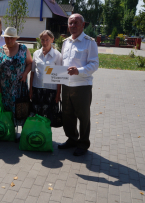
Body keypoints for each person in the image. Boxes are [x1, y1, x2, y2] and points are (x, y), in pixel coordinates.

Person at [58, 14, 99, 156]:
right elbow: (62, 63)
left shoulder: (89, 42)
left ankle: (83, 143)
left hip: (82, 85)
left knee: (83, 116)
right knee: (67, 115)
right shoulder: (66, 42)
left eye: (76, 23)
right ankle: (72, 138)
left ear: (83, 25)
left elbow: (94, 64)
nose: (73, 26)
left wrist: (79, 71)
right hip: (66, 85)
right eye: (70, 23)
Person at [0, 27, 33, 126]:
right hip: (5, 89)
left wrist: (25, 74)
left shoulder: (23, 49)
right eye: (7, 38)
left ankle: (22, 132)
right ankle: (9, 131)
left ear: (16, 38)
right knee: (7, 110)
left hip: (20, 87)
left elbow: (30, 63)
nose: (9, 40)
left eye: (12, 38)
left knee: (21, 110)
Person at [30, 30, 62, 121]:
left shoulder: (57, 55)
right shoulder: (36, 53)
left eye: (47, 39)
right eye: (42, 40)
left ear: (52, 39)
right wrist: (31, 90)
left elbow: (59, 76)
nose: (44, 42)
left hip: (51, 91)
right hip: (37, 89)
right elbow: (32, 72)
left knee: (49, 118)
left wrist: (58, 93)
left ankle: (46, 135)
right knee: (36, 116)